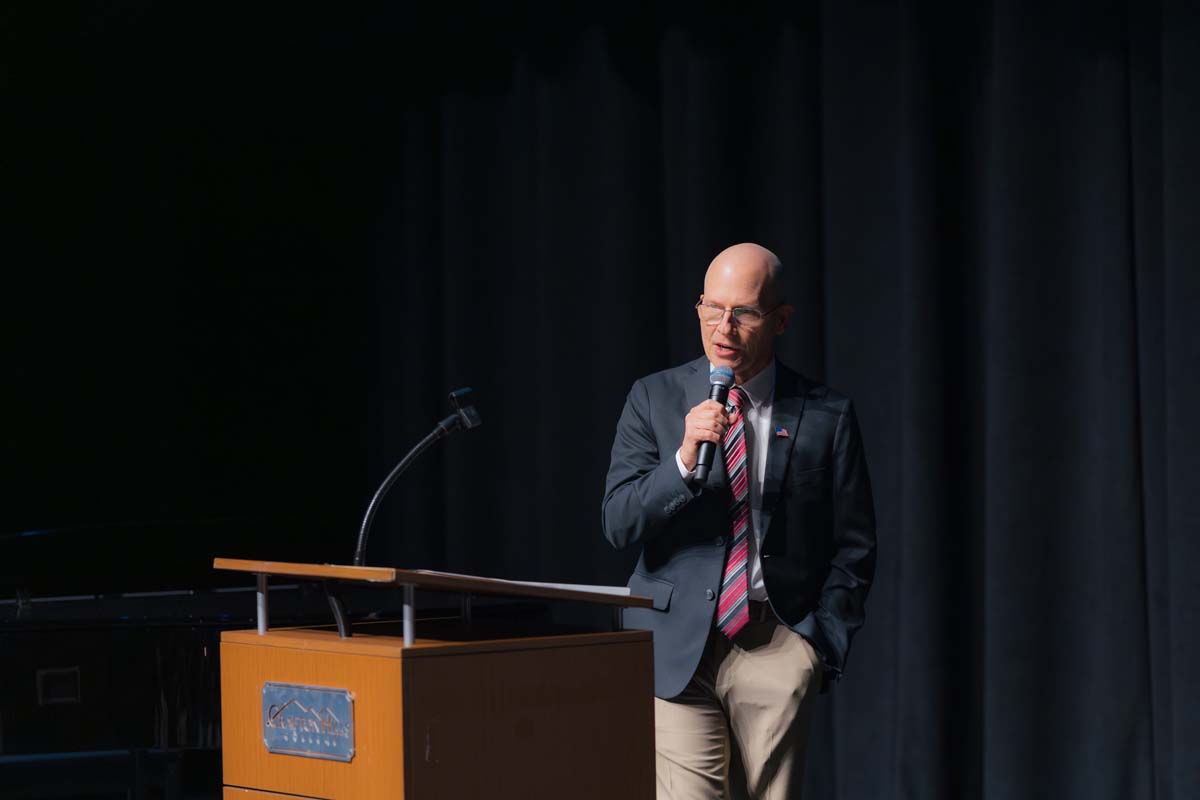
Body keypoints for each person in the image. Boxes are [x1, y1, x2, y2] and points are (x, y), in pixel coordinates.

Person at [602, 243, 877, 799]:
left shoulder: (825, 413)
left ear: (780, 320)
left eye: (745, 312)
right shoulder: (653, 398)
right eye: (712, 307)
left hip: (776, 641)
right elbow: (618, 521)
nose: (723, 326)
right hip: (673, 645)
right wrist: (682, 461)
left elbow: (854, 546)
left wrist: (816, 649)